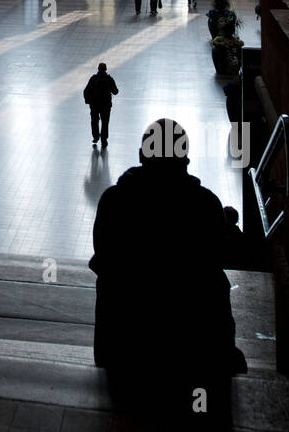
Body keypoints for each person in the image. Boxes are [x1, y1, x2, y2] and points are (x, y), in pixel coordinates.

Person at [89, 118, 247, 409]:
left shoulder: (114, 202)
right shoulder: (204, 205)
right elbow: (232, 254)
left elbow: (103, 255)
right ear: (186, 159)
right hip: (192, 346)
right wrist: (228, 225)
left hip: (124, 343)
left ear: (140, 156)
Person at [83, 62, 119, 147]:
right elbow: (115, 92)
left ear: (98, 69)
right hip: (106, 106)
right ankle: (104, 140)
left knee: (94, 121)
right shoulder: (109, 79)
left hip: (94, 105)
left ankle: (95, 137)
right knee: (105, 122)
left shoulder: (93, 78)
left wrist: (88, 101)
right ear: (106, 69)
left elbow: (86, 91)